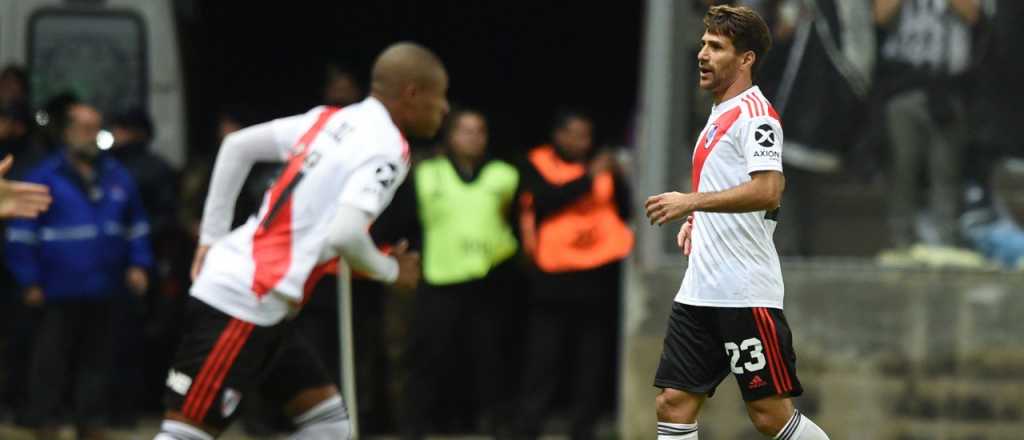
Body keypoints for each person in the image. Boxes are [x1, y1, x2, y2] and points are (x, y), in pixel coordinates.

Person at [154, 41, 447, 440]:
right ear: (412, 93)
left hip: (265, 305)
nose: (444, 109)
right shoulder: (388, 148)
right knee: (184, 436)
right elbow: (346, 234)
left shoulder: (329, 119)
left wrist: (212, 237)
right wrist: (392, 270)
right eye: (440, 96)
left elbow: (236, 146)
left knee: (329, 427)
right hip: (244, 302)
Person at [644, 5, 830, 439]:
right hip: (699, 291)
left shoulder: (757, 117)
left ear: (745, 59)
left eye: (717, 47)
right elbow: (728, 185)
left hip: (742, 293)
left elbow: (768, 190)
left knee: (769, 415)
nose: (702, 55)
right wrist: (698, 218)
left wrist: (691, 201)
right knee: (673, 403)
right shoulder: (716, 114)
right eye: (704, 45)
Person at [4, 103, 153, 440]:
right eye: (84, 128)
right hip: (56, 288)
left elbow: (137, 227)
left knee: (98, 361)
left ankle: (91, 422)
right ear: (67, 131)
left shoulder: (117, 175)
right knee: (50, 361)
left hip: (105, 286)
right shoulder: (44, 177)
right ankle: (46, 422)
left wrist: (139, 265)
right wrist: (28, 280)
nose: (91, 135)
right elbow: (21, 234)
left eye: (95, 128)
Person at [401, 108, 520, 438]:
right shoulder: (427, 173)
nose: (473, 137)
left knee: (490, 358)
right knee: (429, 358)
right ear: (450, 136)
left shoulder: (504, 174)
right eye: (465, 131)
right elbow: (406, 220)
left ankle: (492, 423)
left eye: (479, 131)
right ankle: (417, 427)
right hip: (440, 278)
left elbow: (512, 220)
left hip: (489, 279)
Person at [514, 109, 633, 440]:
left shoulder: (604, 167)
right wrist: (588, 177)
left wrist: (620, 175)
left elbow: (624, 210)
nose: (584, 142)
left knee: (591, 362)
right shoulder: (536, 163)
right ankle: (528, 428)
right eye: (577, 135)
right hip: (552, 279)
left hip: (595, 276)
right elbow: (547, 201)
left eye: (588, 135)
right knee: (543, 361)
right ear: (558, 135)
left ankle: (584, 428)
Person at [874, 0, 980, 254]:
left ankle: (944, 240)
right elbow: (880, 15)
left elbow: (972, 14)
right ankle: (902, 242)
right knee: (902, 166)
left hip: (948, 87)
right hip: (904, 86)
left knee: (946, 168)